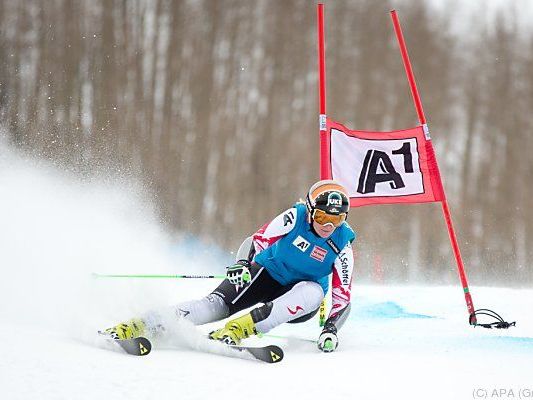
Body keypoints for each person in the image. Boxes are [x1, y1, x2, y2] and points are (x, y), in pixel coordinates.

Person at [103, 179, 356, 352]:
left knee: (314, 291)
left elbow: (342, 296)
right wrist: (243, 264)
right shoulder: (295, 216)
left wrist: (330, 329)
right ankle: (142, 324)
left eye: (337, 218)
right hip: (265, 274)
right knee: (214, 305)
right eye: (323, 216)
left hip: (298, 300)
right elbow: (257, 239)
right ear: (312, 212)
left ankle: (238, 329)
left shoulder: (342, 243)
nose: (328, 225)